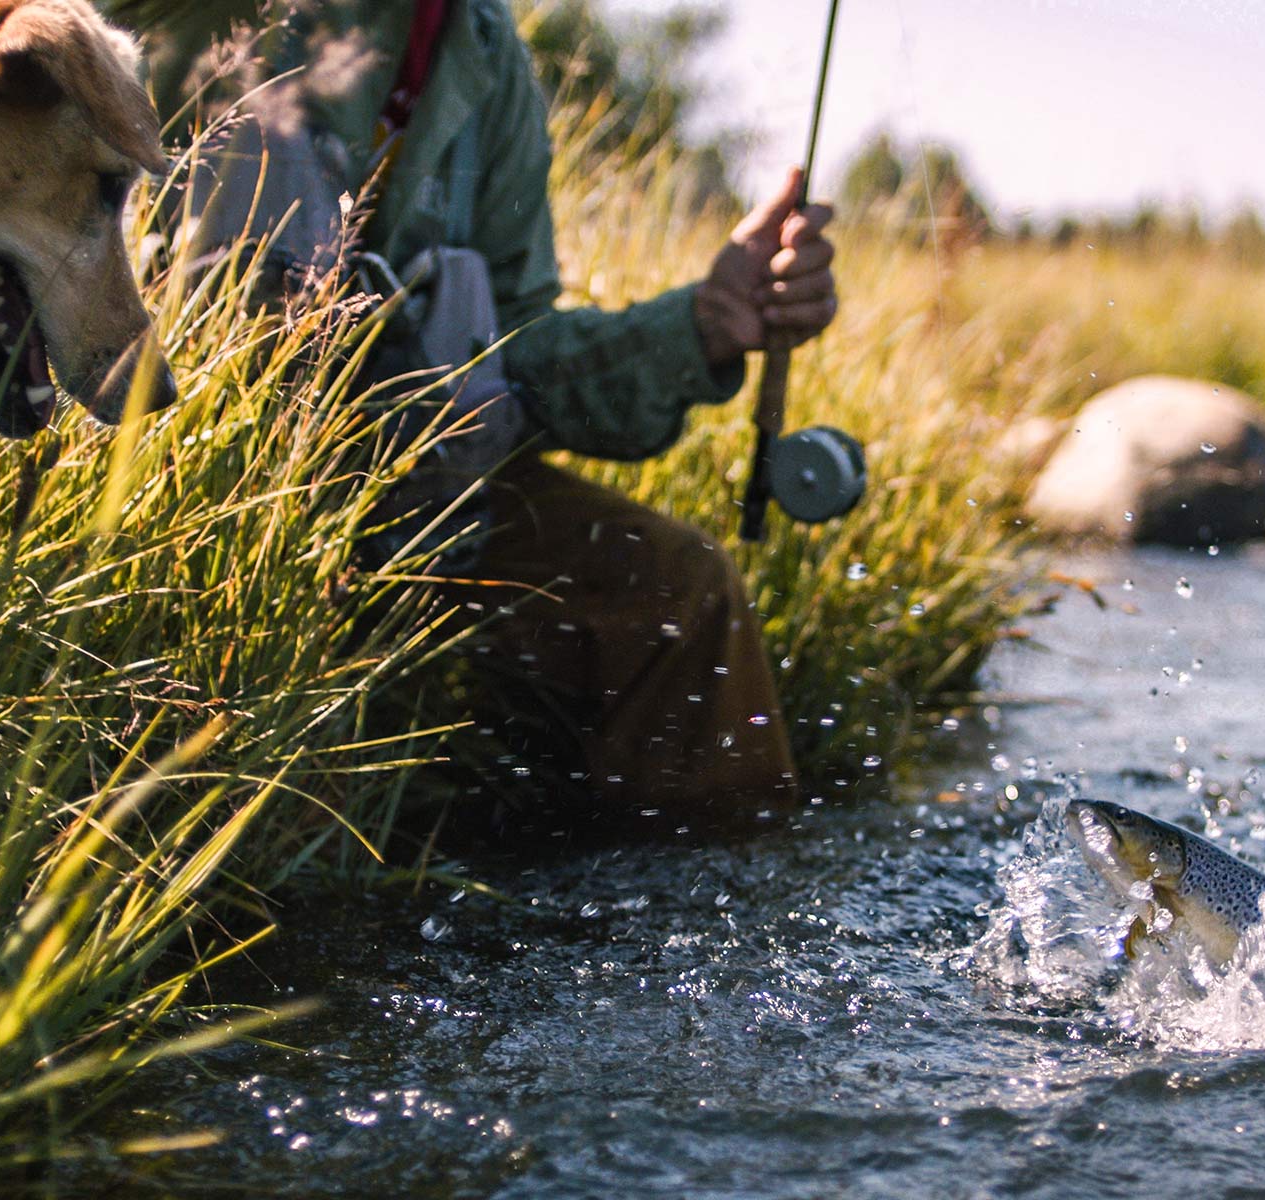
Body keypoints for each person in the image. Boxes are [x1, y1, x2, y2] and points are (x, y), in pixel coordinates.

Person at [143, 0, 840, 827]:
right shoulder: (194, 14)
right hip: (186, 514)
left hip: (421, 504)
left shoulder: (482, 46)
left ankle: (724, 928)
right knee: (285, 779)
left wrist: (703, 327)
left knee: (677, 592)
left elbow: (515, 358)